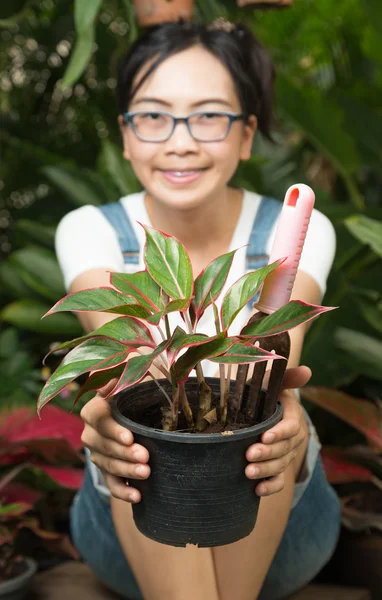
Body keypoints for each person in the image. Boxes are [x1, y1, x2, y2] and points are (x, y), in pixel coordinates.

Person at [55, 19, 340, 600]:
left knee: (275, 422)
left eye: (209, 115)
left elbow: (269, 378)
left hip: (278, 526)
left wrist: (284, 419)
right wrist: (112, 418)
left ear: (246, 134)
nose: (180, 140)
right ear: (126, 135)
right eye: (153, 116)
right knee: (142, 430)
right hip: (131, 525)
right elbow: (137, 372)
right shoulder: (89, 231)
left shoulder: (296, 230)